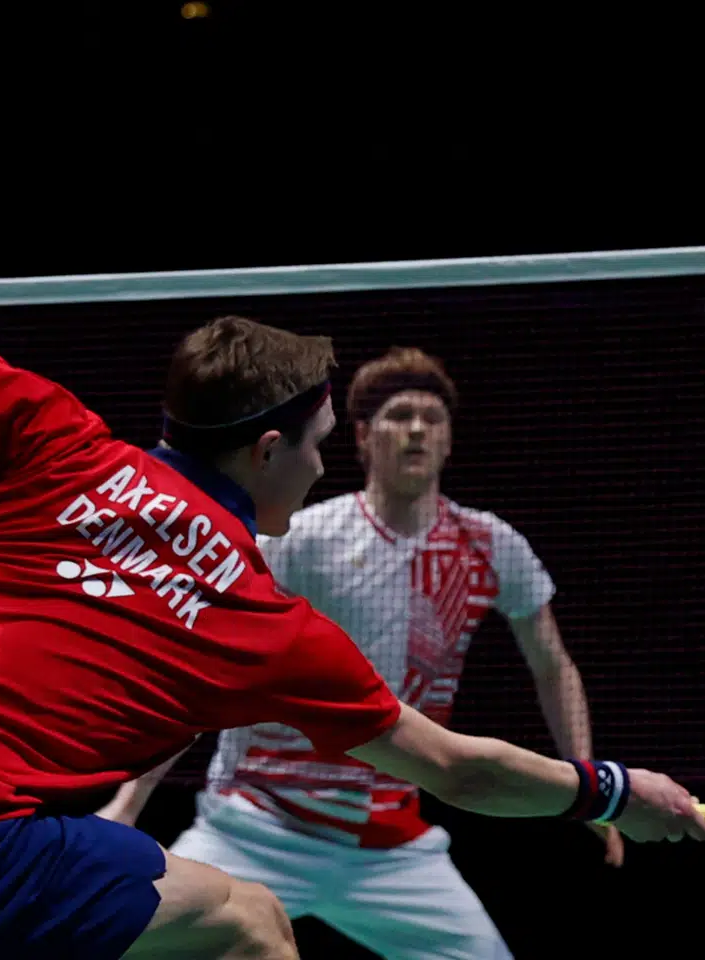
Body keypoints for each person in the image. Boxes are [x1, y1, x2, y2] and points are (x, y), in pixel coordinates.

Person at [0, 95, 705, 960]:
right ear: (267, 452)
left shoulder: (53, 437)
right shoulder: (261, 619)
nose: (322, 466)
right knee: (248, 923)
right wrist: (611, 793)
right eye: (315, 443)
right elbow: (459, 769)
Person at [100, 347, 619, 959]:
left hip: (391, 847)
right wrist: (127, 804)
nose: (418, 429)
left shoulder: (490, 545)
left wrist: (586, 779)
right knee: (121, 941)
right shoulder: (304, 541)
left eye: (433, 417)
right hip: (257, 825)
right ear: (366, 438)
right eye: (400, 416)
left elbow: (551, 661)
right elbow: (205, 671)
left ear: (451, 438)